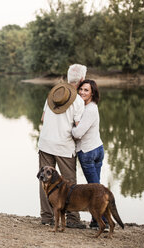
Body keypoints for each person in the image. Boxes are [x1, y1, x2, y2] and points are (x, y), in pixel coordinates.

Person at [38, 64, 87, 229]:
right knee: (69, 183)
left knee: (45, 180)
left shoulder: (53, 93)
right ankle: (72, 218)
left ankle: (46, 217)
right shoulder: (78, 100)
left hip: (45, 142)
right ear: (81, 80)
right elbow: (78, 127)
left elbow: (43, 118)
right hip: (64, 145)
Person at [71, 79, 105, 229]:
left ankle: (100, 221)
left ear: (92, 93)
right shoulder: (86, 107)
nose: (82, 92)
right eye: (81, 89)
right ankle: (95, 220)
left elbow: (78, 133)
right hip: (97, 148)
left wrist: (69, 128)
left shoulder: (90, 109)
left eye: (86, 90)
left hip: (88, 152)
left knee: (95, 190)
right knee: (97, 186)